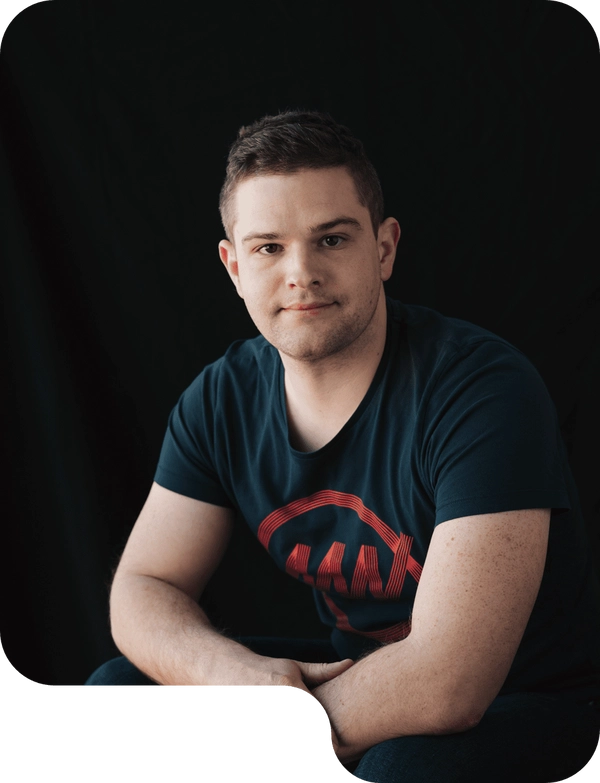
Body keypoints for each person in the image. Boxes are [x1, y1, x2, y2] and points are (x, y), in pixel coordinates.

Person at [85, 110, 600, 782]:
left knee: (401, 768)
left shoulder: (480, 390)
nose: (300, 272)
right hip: (358, 672)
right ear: (233, 266)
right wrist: (230, 676)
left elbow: (449, 682)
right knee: (118, 686)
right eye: (269, 248)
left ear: (383, 249)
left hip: (527, 698)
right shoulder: (221, 399)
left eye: (331, 239)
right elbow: (144, 586)